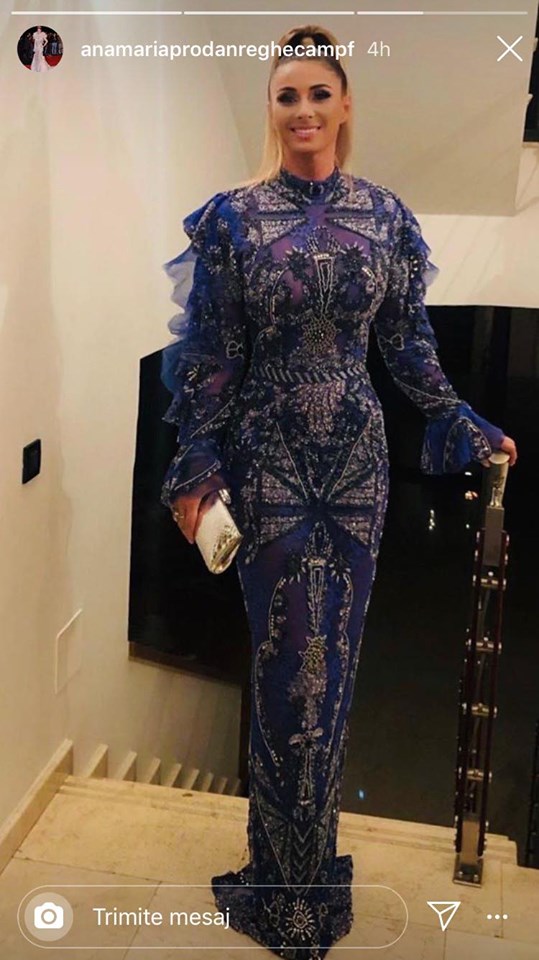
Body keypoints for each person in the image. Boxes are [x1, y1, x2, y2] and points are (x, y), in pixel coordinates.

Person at [159, 24, 518, 960]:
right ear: (271, 110)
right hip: (268, 467)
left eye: (319, 93)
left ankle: (309, 876)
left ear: (346, 104)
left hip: (355, 471)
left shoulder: (385, 215)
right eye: (287, 96)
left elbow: (404, 342)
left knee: (333, 674)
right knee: (285, 671)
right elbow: (212, 358)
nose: (303, 110)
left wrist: (462, 419)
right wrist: (197, 467)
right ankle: (278, 881)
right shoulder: (232, 220)